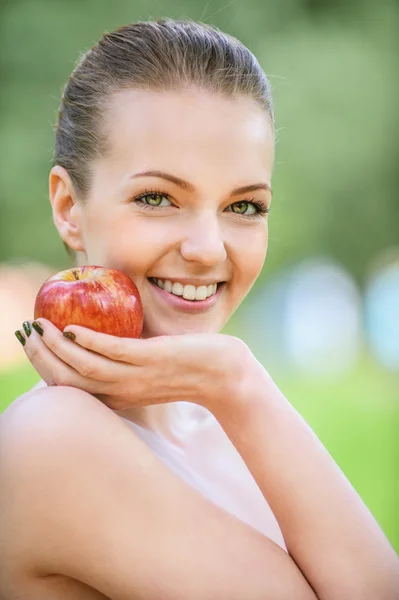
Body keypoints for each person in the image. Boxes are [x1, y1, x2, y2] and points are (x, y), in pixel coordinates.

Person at [1, 18, 398, 600]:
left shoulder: (220, 417)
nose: (208, 248)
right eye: (157, 198)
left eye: (244, 206)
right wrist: (238, 381)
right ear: (68, 206)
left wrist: (234, 383)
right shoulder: (54, 438)